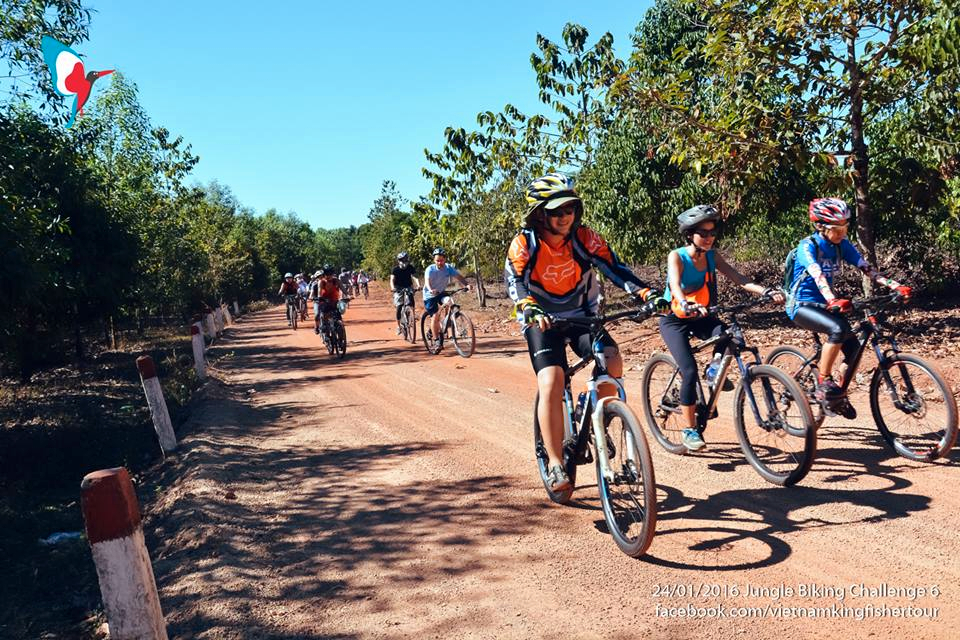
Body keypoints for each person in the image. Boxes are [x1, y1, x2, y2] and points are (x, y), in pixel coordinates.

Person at [505, 172, 662, 492]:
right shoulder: (525, 244)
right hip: (541, 319)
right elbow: (517, 283)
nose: (565, 217)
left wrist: (646, 293)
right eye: (556, 211)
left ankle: (603, 417)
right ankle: (555, 463)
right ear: (539, 214)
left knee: (612, 359)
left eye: (570, 209)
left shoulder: (585, 239)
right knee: (551, 379)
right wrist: (529, 307)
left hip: (581, 316)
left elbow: (615, 268)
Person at [659, 205, 785, 451]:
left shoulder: (712, 256)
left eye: (712, 232)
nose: (709, 237)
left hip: (702, 315)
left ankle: (714, 369)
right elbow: (674, 285)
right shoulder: (677, 255)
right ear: (689, 235)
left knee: (733, 338)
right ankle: (690, 429)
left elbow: (740, 279)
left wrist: (767, 292)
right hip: (674, 316)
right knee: (688, 370)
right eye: (703, 233)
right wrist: (686, 301)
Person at [785, 197, 911, 416]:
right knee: (838, 330)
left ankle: (838, 395)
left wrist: (894, 285)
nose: (842, 232)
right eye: (837, 228)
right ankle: (824, 383)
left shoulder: (843, 245)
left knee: (853, 349)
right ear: (820, 226)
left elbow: (866, 268)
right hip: (801, 305)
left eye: (845, 226)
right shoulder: (808, 246)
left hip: (825, 304)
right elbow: (817, 273)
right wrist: (831, 298)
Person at [423, 248, 471, 342]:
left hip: (440, 293)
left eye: (441, 260)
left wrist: (467, 284)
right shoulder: (430, 269)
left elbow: (458, 277)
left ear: (445, 259)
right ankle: (436, 340)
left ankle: (446, 324)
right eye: (437, 260)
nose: (439, 263)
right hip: (430, 295)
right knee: (435, 315)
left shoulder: (448, 268)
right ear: (434, 260)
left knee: (450, 302)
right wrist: (430, 290)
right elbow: (427, 282)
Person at [390, 252, 422, 334]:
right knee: (399, 306)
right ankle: (398, 326)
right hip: (398, 288)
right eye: (402, 260)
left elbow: (414, 277)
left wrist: (418, 285)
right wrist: (393, 287)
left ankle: (412, 315)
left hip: (408, 286)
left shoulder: (410, 267)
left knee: (411, 301)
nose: (404, 261)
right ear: (399, 260)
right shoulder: (395, 269)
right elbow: (392, 280)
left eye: (405, 259)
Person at [310, 265, 343, 335]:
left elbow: (342, 289)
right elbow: (318, 292)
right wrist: (318, 298)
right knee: (318, 314)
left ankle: (340, 331)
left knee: (338, 315)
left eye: (330, 274)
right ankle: (320, 327)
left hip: (333, 301)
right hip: (321, 301)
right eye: (318, 277)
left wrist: (347, 295)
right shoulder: (317, 283)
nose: (320, 277)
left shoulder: (335, 280)